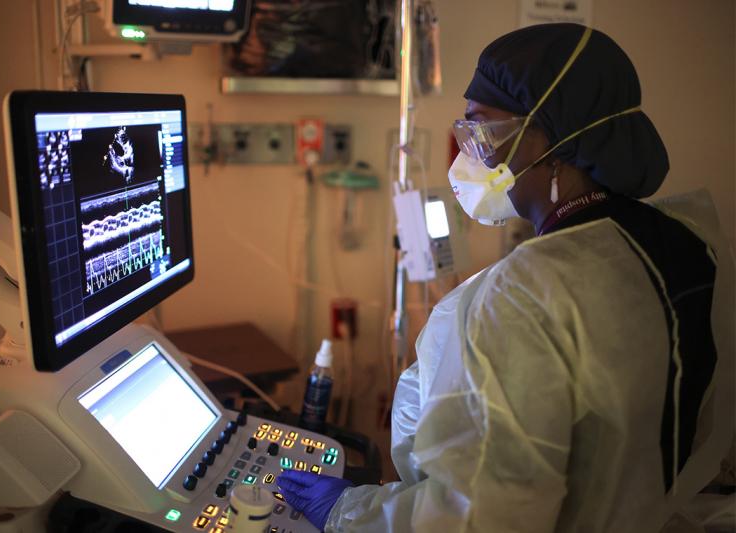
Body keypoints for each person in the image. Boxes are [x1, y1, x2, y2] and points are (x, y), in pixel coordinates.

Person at [277, 23, 734, 532]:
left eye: (481, 129)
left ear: (555, 134)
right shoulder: (689, 239)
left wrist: (347, 512)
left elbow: (480, 517)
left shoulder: (525, 294)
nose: (469, 152)